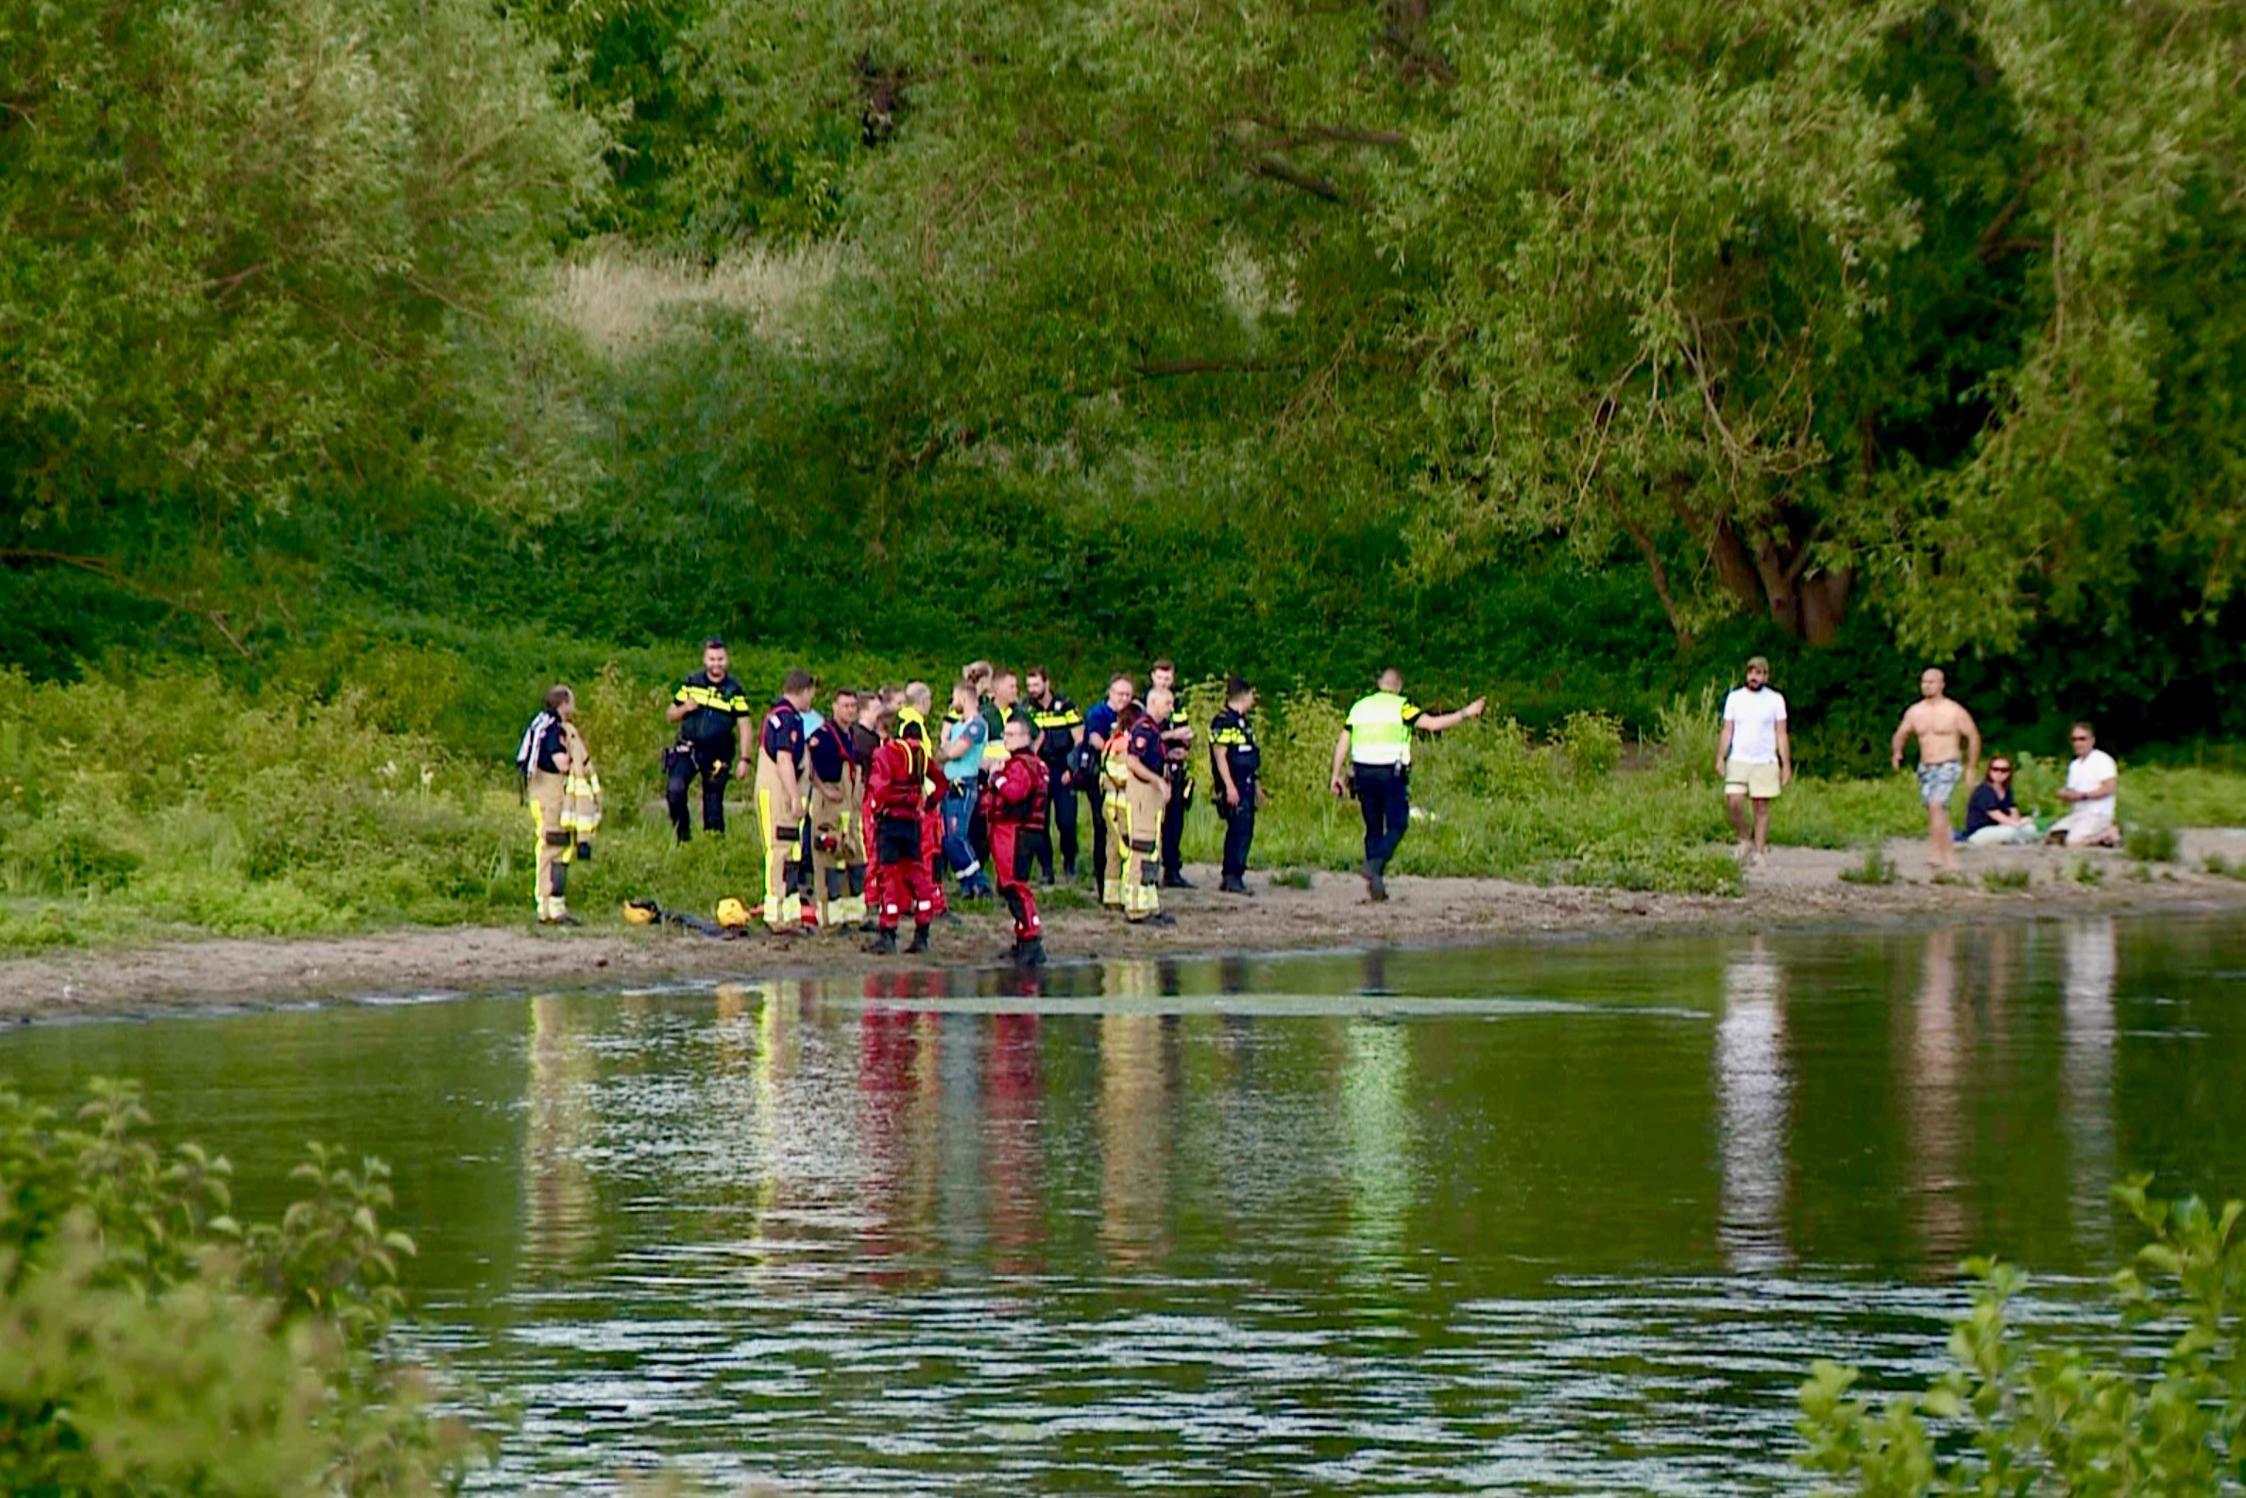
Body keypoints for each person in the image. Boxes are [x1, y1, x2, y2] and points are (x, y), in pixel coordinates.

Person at [1328, 668, 1486, 902]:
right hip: (1390, 774)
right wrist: (1466, 712)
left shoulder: (1360, 707)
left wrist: (1335, 775)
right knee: (1398, 823)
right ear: (1399, 687)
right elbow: (1433, 725)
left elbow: (1343, 741)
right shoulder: (1402, 707)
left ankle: (1376, 882)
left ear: (1380, 683)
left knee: (1373, 827)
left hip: (1361, 773)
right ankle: (1375, 865)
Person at [516, 685, 599, 926]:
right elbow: (561, 763)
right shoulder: (552, 731)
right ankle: (545, 907)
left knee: (561, 849)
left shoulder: (547, 726)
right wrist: (577, 755)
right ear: (564, 704)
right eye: (571, 702)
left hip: (554, 798)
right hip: (548, 797)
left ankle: (556, 907)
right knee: (550, 846)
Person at [1891, 667, 1981, 875]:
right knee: (1936, 811)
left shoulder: (1953, 711)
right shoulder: (1915, 712)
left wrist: (1971, 767)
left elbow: (1973, 736)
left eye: (1931, 682)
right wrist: (1897, 753)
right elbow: (1901, 733)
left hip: (1948, 763)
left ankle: (1944, 855)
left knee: (1936, 805)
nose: (1927, 685)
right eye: (1924, 682)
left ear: (1942, 684)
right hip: (1926, 767)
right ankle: (1940, 853)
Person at [864, 708, 940, 954]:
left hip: (891, 821)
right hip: (912, 821)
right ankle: (923, 931)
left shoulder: (887, 753)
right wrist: (928, 804)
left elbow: (880, 787)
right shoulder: (920, 755)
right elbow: (941, 783)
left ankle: (888, 933)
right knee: (917, 874)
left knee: (889, 876)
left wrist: (876, 810)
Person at [664, 639, 751, 842]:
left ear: (726, 660)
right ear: (705, 659)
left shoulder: (734, 689)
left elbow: (745, 725)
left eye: (720, 659)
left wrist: (745, 759)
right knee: (675, 790)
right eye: (712, 659)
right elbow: (670, 714)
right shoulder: (692, 682)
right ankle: (683, 837)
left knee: (713, 804)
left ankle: (713, 848)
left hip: (718, 753)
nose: (716, 664)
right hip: (688, 749)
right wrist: (685, 708)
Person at [981, 715, 1050, 965]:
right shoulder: (1033, 764)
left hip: (1015, 830)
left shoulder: (1021, 765)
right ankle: (1024, 937)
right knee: (1010, 884)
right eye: (1005, 735)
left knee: (1015, 884)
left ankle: (1031, 938)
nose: (1005, 739)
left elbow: (1015, 793)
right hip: (1020, 830)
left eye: (1010, 735)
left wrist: (996, 776)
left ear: (1025, 737)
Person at [1715, 656, 1792, 864]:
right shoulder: (1735, 698)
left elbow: (1781, 733)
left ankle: (1759, 851)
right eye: (1750, 673)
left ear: (1766, 676)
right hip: (1739, 758)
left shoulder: (1775, 699)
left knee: (1761, 806)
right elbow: (1728, 729)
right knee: (1734, 801)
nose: (1753, 677)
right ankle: (1743, 838)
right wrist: (1720, 757)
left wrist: (1786, 765)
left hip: (1764, 760)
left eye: (1758, 673)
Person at [755, 670, 815, 930]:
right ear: (803, 690)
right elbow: (783, 759)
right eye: (811, 693)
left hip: (786, 793)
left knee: (791, 852)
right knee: (779, 851)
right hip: (778, 793)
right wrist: (794, 797)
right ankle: (775, 914)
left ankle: (789, 913)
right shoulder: (784, 718)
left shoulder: (787, 717)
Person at [806, 688, 869, 927]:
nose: (850, 710)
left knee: (853, 858)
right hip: (829, 804)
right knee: (829, 858)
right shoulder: (822, 735)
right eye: (845, 706)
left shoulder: (851, 735)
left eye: (853, 706)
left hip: (849, 806)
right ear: (834, 707)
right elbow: (807, 764)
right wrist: (823, 789)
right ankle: (830, 919)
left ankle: (853, 916)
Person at [1115, 689, 1175, 925]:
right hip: (1142, 794)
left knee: (1152, 849)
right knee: (1140, 847)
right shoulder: (1143, 729)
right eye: (1167, 703)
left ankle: (1149, 903)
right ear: (1153, 703)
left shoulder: (1156, 730)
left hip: (1152, 796)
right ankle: (1136, 907)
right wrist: (1157, 780)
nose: (1171, 707)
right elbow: (1132, 761)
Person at [1024, 666, 1085, 882]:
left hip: (1063, 767)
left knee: (1066, 821)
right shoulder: (1026, 709)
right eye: (1029, 685)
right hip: (1039, 769)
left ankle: (1070, 863)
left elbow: (1079, 740)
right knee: (1040, 821)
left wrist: (1072, 768)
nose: (1032, 690)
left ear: (1047, 683)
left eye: (1036, 685)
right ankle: (1046, 868)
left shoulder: (1066, 706)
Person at [1208, 675, 1264, 895]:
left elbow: (1249, 755)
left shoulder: (1243, 722)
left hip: (1247, 781)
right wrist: (1229, 786)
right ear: (1245, 694)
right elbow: (1220, 756)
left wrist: (1257, 783)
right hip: (1235, 783)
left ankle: (1236, 873)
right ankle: (1231, 875)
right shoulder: (1224, 721)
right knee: (1238, 829)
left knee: (1245, 829)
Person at [939, 678, 993, 899]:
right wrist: (945, 742)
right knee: (948, 837)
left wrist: (945, 746)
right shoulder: (959, 725)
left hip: (965, 784)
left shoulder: (976, 725)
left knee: (957, 835)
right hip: (950, 784)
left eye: (954, 697)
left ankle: (980, 882)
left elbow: (953, 752)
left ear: (963, 697)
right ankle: (966, 882)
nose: (952, 702)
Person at [902, 681, 950, 918]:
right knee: (927, 849)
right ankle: (928, 899)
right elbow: (917, 761)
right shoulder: (913, 724)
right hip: (920, 797)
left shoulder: (904, 720)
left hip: (914, 794)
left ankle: (920, 898)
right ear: (923, 701)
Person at [1083, 674, 1134, 902]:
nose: (1124, 698)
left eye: (1127, 694)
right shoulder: (1098, 713)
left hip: (1128, 786)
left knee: (1126, 836)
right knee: (1103, 833)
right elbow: (1094, 738)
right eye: (1119, 694)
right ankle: (1103, 886)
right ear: (1110, 693)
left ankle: (1121, 887)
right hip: (1101, 780)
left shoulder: (1134, 713)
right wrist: (1115, 752)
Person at [1149, 659, 1195, 888]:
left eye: (1168, 678)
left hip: (1176, 772)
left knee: (1174, 824)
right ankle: (1150, 871)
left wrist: (1183, 748)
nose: (1164, 682)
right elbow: (1148, 737)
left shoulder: (1178, 707)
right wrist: (1172, 737)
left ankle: (1173, 870)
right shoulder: (1143, 706)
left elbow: (1186, 734)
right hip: (1154, 773)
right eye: (1160, 678)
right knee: (1153, 824)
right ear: (1152, 678)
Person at [2046, 722, 2121, 847]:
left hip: (2097, 814)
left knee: (2073, 842)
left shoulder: (2102, 760)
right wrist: (2064, 794)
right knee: (2052, 838)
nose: (2078, 743)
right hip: (2078, 814)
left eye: (2082, 739)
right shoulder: (2075, 765)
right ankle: (2101, 837)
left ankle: (2107, 834)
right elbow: (2072, 790)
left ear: (2092, 740)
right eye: (2074, 739)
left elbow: (2109, 788)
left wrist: (2083, 796)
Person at [1964, 757, 2038, 846]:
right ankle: (2016, 840)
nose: (1999, 773)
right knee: (2010, 831)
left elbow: (2012, 809)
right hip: (1980, 831)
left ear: (2009, 773)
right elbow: (1995, 814)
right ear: (1989, 771)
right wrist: (2016, 824)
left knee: (2030, 828)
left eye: (2004, 770)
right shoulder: (1984, 790)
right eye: (1995, 769)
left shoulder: (2007, 790)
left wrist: (2020, 822)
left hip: (2002, 827)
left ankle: (2015, 839)